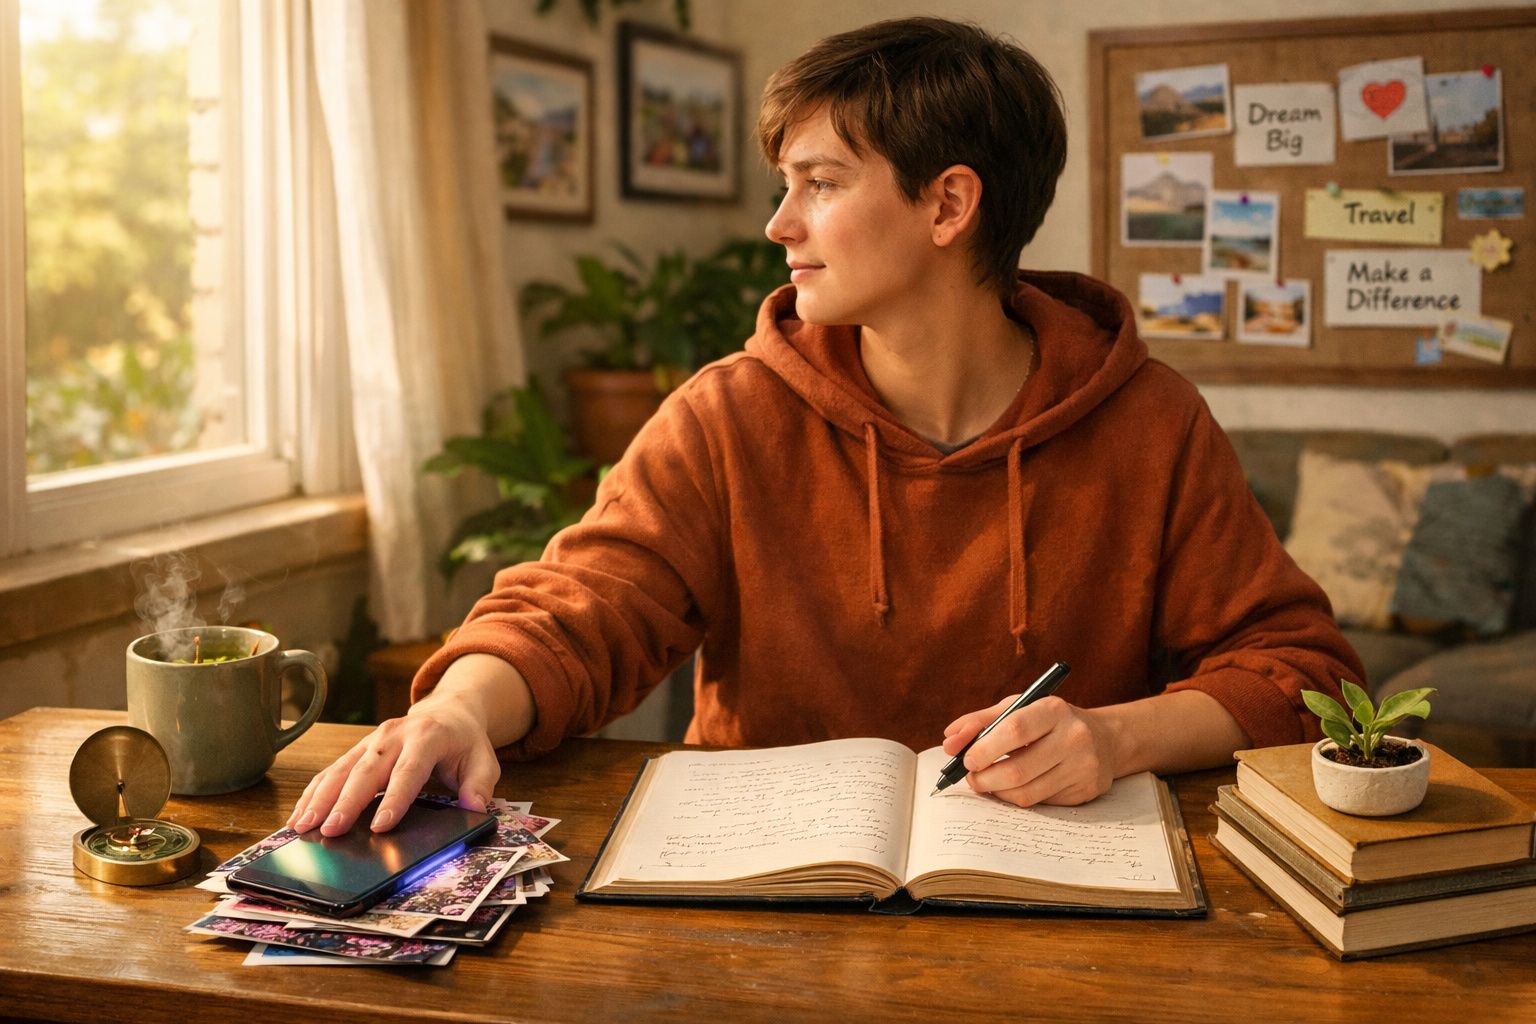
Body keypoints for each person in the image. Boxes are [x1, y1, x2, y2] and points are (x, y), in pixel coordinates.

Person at [290, 17, 1361, 838]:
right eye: (784, 185)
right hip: (762, 894)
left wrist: (1114, 735)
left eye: (821, 184)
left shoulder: (1150, 421)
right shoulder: (728, 412)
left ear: (948, 207)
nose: (778, 224)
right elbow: (583, 608)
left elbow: (1303, 669)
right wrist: (466, 708)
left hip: (1057, 884)